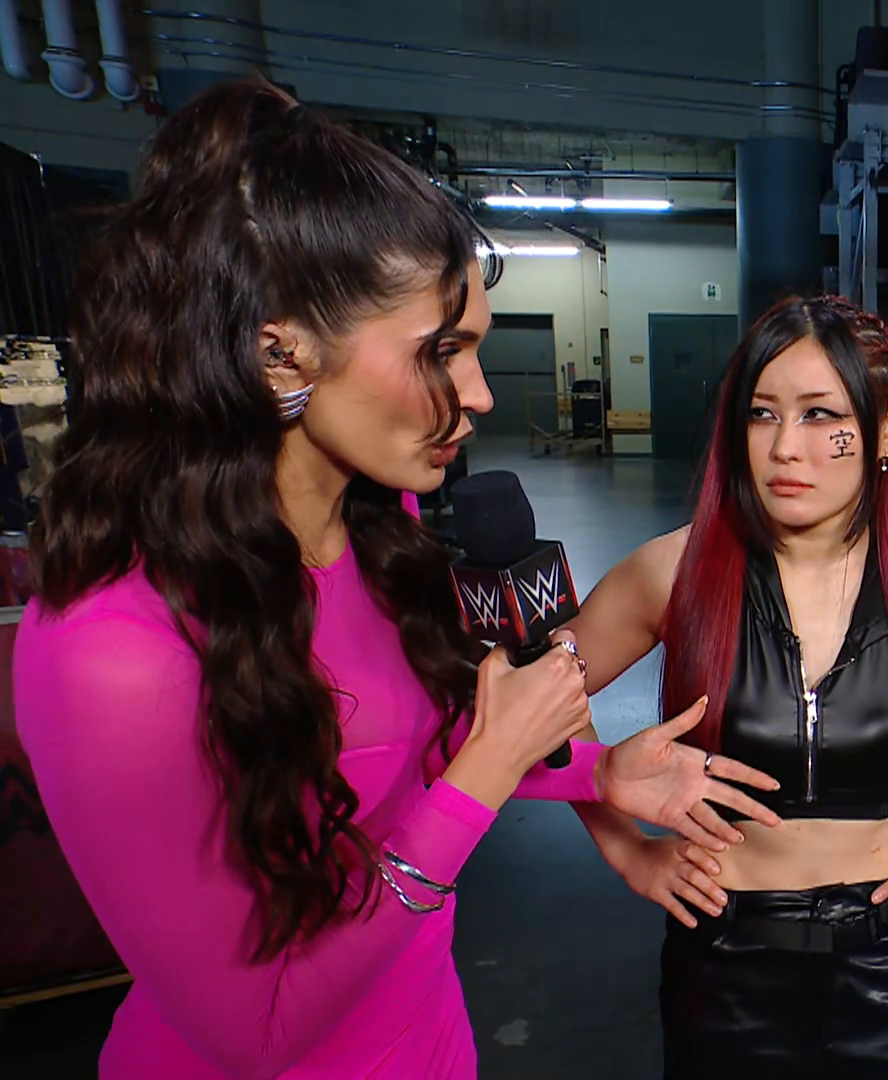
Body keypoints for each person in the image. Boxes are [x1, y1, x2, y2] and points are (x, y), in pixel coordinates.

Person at [14, 80, 777, 1080]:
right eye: (441, 353)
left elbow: (407, 756)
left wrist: (594, 771)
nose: (480, 395)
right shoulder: (107, 652)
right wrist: (486, 773)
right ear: (280, 353)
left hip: (432, 1046)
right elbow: (255, 1032)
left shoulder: (380, 529)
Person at [564, 295, 888, 1078]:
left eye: (819, 414)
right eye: (762, 415)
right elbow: (528, 700)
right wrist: (626, 848)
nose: (784, 448)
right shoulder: (674, 571)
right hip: (727, 966)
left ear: (885, 428)